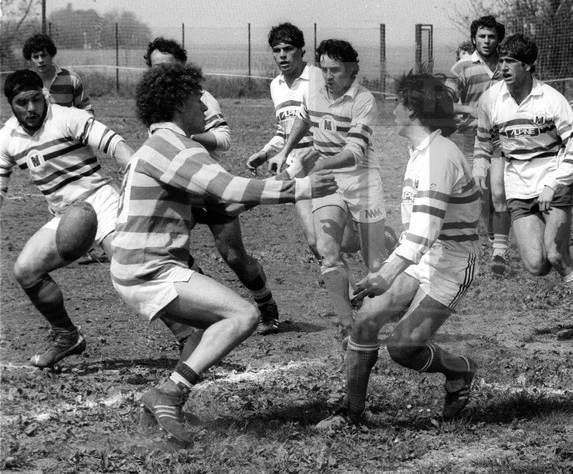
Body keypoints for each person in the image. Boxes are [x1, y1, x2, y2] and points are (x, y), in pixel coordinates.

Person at [112, 62, 336, 446]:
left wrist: (283, 179)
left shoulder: (162, 145)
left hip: (137, 266)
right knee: (243, 315)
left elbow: (223, 207)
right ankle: (169, 394)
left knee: (206, 329)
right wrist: (301, 189)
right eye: (197, 97)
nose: (205, 105)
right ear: (179, 102)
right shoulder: (176, 147)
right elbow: (231, 190)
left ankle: (166, 401)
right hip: (149, 269)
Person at [317, 72, 481, 428]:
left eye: (399, 103)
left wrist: (386, 274)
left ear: (414, 110)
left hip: (450, 264)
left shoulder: (439, 156)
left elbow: (425, 231)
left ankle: (460, 370)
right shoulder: (421, 151)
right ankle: (351, 414)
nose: (393, 110)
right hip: (419, 256)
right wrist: (389, 268)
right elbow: (416, 234)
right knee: (366, 320)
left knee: (403, 348)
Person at [474, 33, 573, 345]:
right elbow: (482, 143)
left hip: (554, 179)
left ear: (528, 65)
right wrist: (479, 169)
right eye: (501, 60)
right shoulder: (490, 100)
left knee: (556, 256)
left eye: (511, 62)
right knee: (536, 265)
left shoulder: (551, 99)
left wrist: (553, 184)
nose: (503, 67)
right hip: (518, 187)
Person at [143, 37, 281, 335]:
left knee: (233, 256)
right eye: (155, 67)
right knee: (167, 250)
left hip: (208, 186)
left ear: (182, 66)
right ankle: (205, 307)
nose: (162, 72)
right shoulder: (153, 104)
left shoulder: (200, 98)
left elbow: (224, 139)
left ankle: (266, 303)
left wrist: (188, 137)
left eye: (168, 66)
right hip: (178, 190)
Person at [0, 69, 133, 367]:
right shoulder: (6, 138)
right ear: (10, 104)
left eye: (36, 99)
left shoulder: (69, 117)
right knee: (25, 270)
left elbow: (117, 145)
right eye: (22, 103)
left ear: (44, 95)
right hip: (65, 215)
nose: (31, 108)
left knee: (130, 270)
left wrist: (137, 173)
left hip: (101, 200)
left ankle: (187, 336)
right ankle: (66, 336)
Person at [261, 39, 390, 343]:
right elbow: (303, 120)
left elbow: (354, 153)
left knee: (374, 265)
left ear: (352, 70)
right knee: (327, 251)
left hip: (362, 182)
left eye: (336, 70)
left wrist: (317, 164)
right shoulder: (314, 92)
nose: (329, 76)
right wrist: (284, 152)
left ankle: (390, 258)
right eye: (324, 69)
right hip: (329, 182)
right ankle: (348, 326)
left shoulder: (364, 100)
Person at [246, 23, 359, 261]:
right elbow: (284, 129)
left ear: (301, 51)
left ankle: (382, 237)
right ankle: (345, 286)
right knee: (314, 241)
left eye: (288, 49)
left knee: (346, 242)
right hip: (297, 169)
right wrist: (266, 152)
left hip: (324, 166)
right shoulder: (275, 86)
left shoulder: (318, 77)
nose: (282, 55)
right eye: (277, 50)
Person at [448, 15, 512, 276]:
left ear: (499, 40)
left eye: (492, 36)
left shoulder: (508, 65)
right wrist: (470, 110)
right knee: (480, 196)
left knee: (499, 193)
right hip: (469, 141)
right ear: (474, 39)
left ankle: (499, 254)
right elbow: (444, 102)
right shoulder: (461, 68)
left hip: (500, 141)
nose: (487, 41)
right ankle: (493, 237)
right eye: (482, 36)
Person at [22, 33, 92, 113]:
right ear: (30, 59)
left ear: (51, 55)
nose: (40, 60)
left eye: (44, 55)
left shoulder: (72, 79)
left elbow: (86, 109)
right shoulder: (24, 82)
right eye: (35, 57)